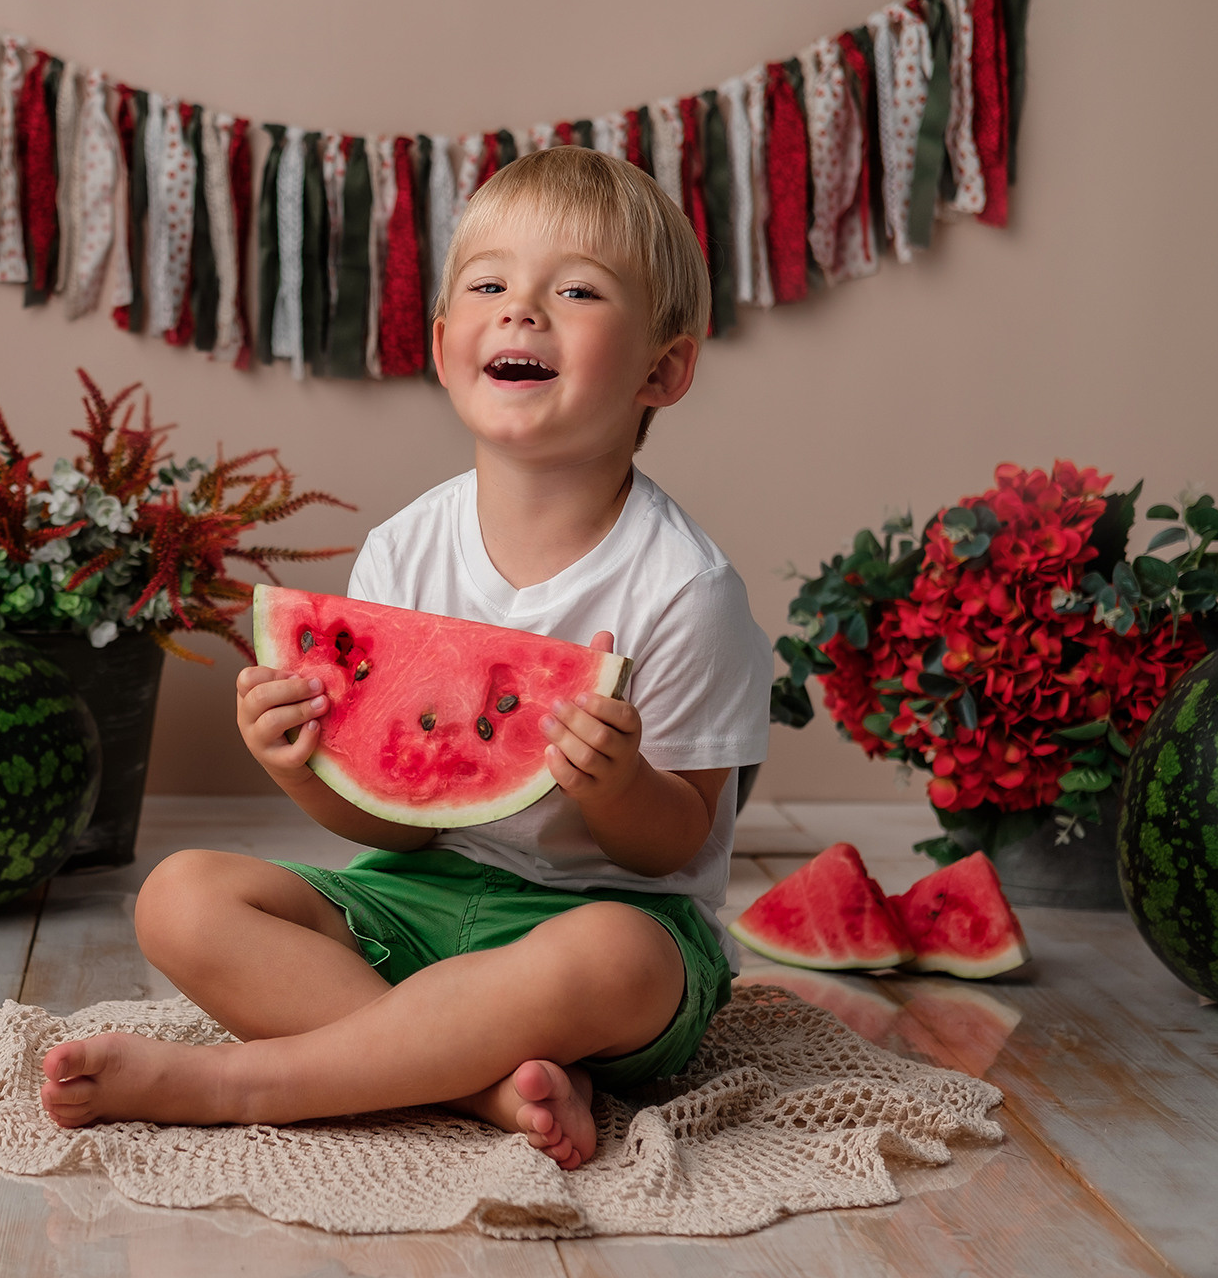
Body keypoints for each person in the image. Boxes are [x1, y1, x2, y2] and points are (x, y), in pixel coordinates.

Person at [40, 145, 772, 1169]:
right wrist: (300, 765)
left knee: (610, 956)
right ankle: (477, 1085)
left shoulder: (686, 587)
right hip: (422, 900)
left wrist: (618, 786)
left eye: (575, 288)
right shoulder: (404, 549)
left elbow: (676, 844)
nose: (522, 309)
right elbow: (394, 818)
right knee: (181, 895)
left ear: (664, 367)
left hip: (614, 923)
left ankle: (245, 1083)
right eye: (489, 284)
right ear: (444, 344)